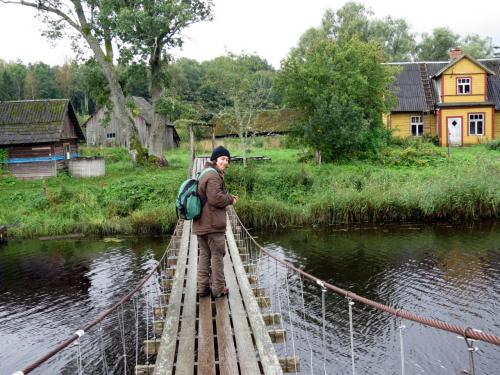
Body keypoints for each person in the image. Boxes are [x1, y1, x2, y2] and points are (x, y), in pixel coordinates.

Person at [193, 145, 238, 298]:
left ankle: (202, 288)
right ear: (215, 159)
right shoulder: (213, 176)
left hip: (202, 224)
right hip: (212, 225)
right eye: (222, 159)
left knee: (205, 256)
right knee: (217, 257)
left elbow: (212, 195)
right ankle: (218, 289)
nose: (225, 162)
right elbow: (215, 198)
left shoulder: (204, 173)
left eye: (227, 159)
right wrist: (230, 199)